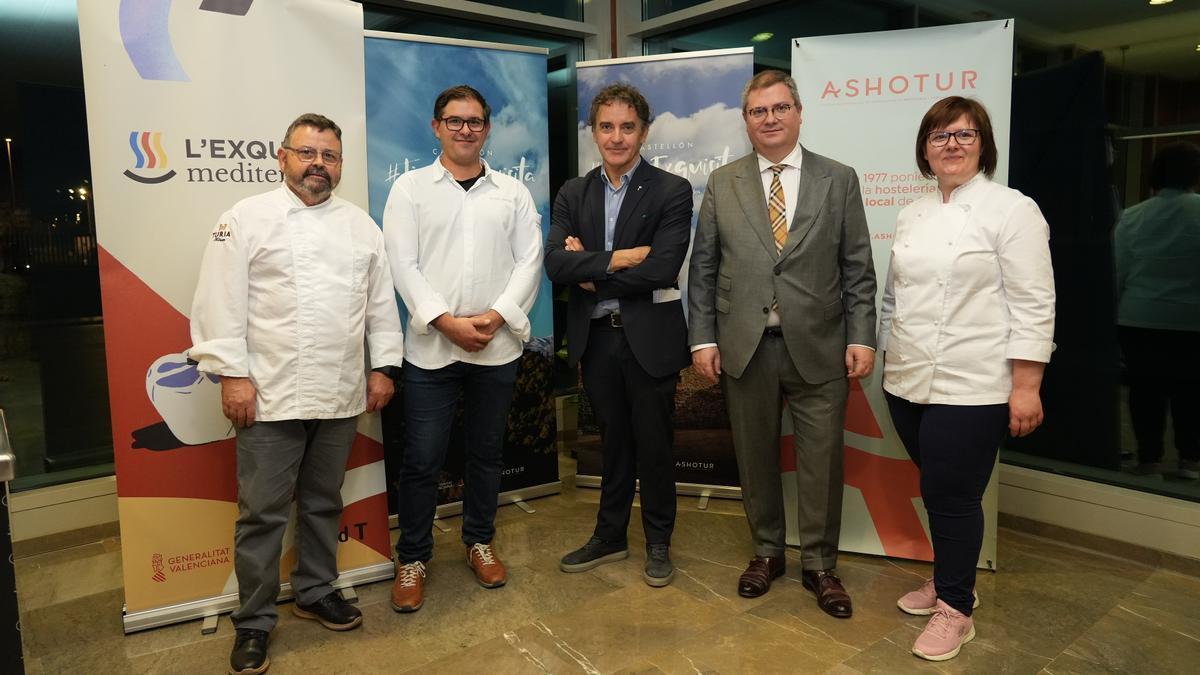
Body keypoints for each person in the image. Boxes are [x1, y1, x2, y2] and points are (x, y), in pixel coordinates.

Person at [189, 113, 404, 675]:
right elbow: (220, 301)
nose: (318, 165)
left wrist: (382, 367)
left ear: (340, 164)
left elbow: (380, 305)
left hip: (339, 390)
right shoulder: (246, 218)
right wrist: (232, 374)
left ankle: (315, 590)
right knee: (261, 513)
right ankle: (255, 621)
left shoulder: (360, 227)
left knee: (323, 501)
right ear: (281, 157)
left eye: (329, 156)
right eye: (307, 154)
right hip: (269, 393)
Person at [687, 70, 876, 617]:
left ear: (798, 112)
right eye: (757, 111)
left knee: (822, 461)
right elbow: (703, 269)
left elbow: (858, 268)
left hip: (820, 345)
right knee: (755, 457)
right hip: (744, 345)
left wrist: (862, 336)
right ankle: (766, 553)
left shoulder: (838, 179)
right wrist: (702, 338)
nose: (769, 119)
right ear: (745, 120)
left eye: (779, 108)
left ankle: (820, 566)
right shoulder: (724, 182)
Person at [878, 96, 1056, 661]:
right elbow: (893, 296)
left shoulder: (1013, 210)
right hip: (905, 381)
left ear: (984, 145)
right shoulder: (912, 213)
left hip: (975, 384)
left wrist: (1026, 387)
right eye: (939, 135)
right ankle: (950, 575)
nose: (951, 144)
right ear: (925, 149)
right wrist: (883, 354)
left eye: (964, 134)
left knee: (953, 496)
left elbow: (1034, 304)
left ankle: (957, 607)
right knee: (937, 489)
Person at [383, 84, 543, 613]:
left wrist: (495, 318)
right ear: (436, 127)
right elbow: (402, 265)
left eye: (475, 121)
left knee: (486, 454)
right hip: (432, 351)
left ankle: (479, 540)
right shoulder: (409, 190)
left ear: (487, 128)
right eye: (454, 120)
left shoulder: (511, 193)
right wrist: (445, 322)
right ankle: (413, 557)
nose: (465, 129)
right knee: (422, 460)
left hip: (495, 349)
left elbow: (529, 262)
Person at [545, 83, 693, 587]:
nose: (616, 137)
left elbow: (664, 267)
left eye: (627, 127)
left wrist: (589, 269)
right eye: (606, 126)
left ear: (644, 132)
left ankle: (657, 542)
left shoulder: (672, 190)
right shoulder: (573, 192)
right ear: (593, 132)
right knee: (611, 445)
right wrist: (622, 258)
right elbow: (554, 263)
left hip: (649, 339)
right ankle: (609, 536)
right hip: (598, 339)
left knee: (653, 445)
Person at [1116, 142, 1200, 481]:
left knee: (1145, 392)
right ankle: (1190, 461)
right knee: (1191, 393)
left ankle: (1148, 460)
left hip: (1139, 319)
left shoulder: (1133, 216)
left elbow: (1117, 270)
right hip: (1192, 321)